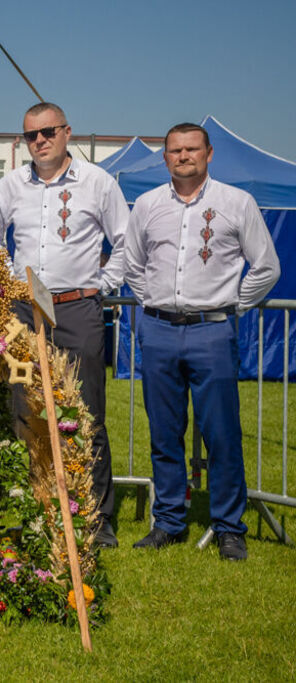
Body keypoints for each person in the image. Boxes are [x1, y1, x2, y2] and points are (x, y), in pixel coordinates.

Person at [125, 123, 279, 561]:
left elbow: (266, 267)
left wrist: (232, 304)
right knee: (164, 432)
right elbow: (133, 265)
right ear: (165, 157)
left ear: (209, 153)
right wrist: (154, 304)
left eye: (192, 148)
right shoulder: (149, 205)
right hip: (157, 329)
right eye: (175, 150)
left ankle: (230, 526)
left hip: (212, 330)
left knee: (221, 433)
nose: (183, 156)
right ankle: (169, 521)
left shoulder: (236, 202)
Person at [0, 102, 128, 548]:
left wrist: (102, 285)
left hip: (77, 308)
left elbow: (125, 241)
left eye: (48, 132)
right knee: (23, 411)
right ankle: (33, 507)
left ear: (67, 132)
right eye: (31, 135)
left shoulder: (97, 182)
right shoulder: (11, 184)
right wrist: (6, 280)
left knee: (86, 412)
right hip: (25, 311)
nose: (40, 141)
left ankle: (96, 515)